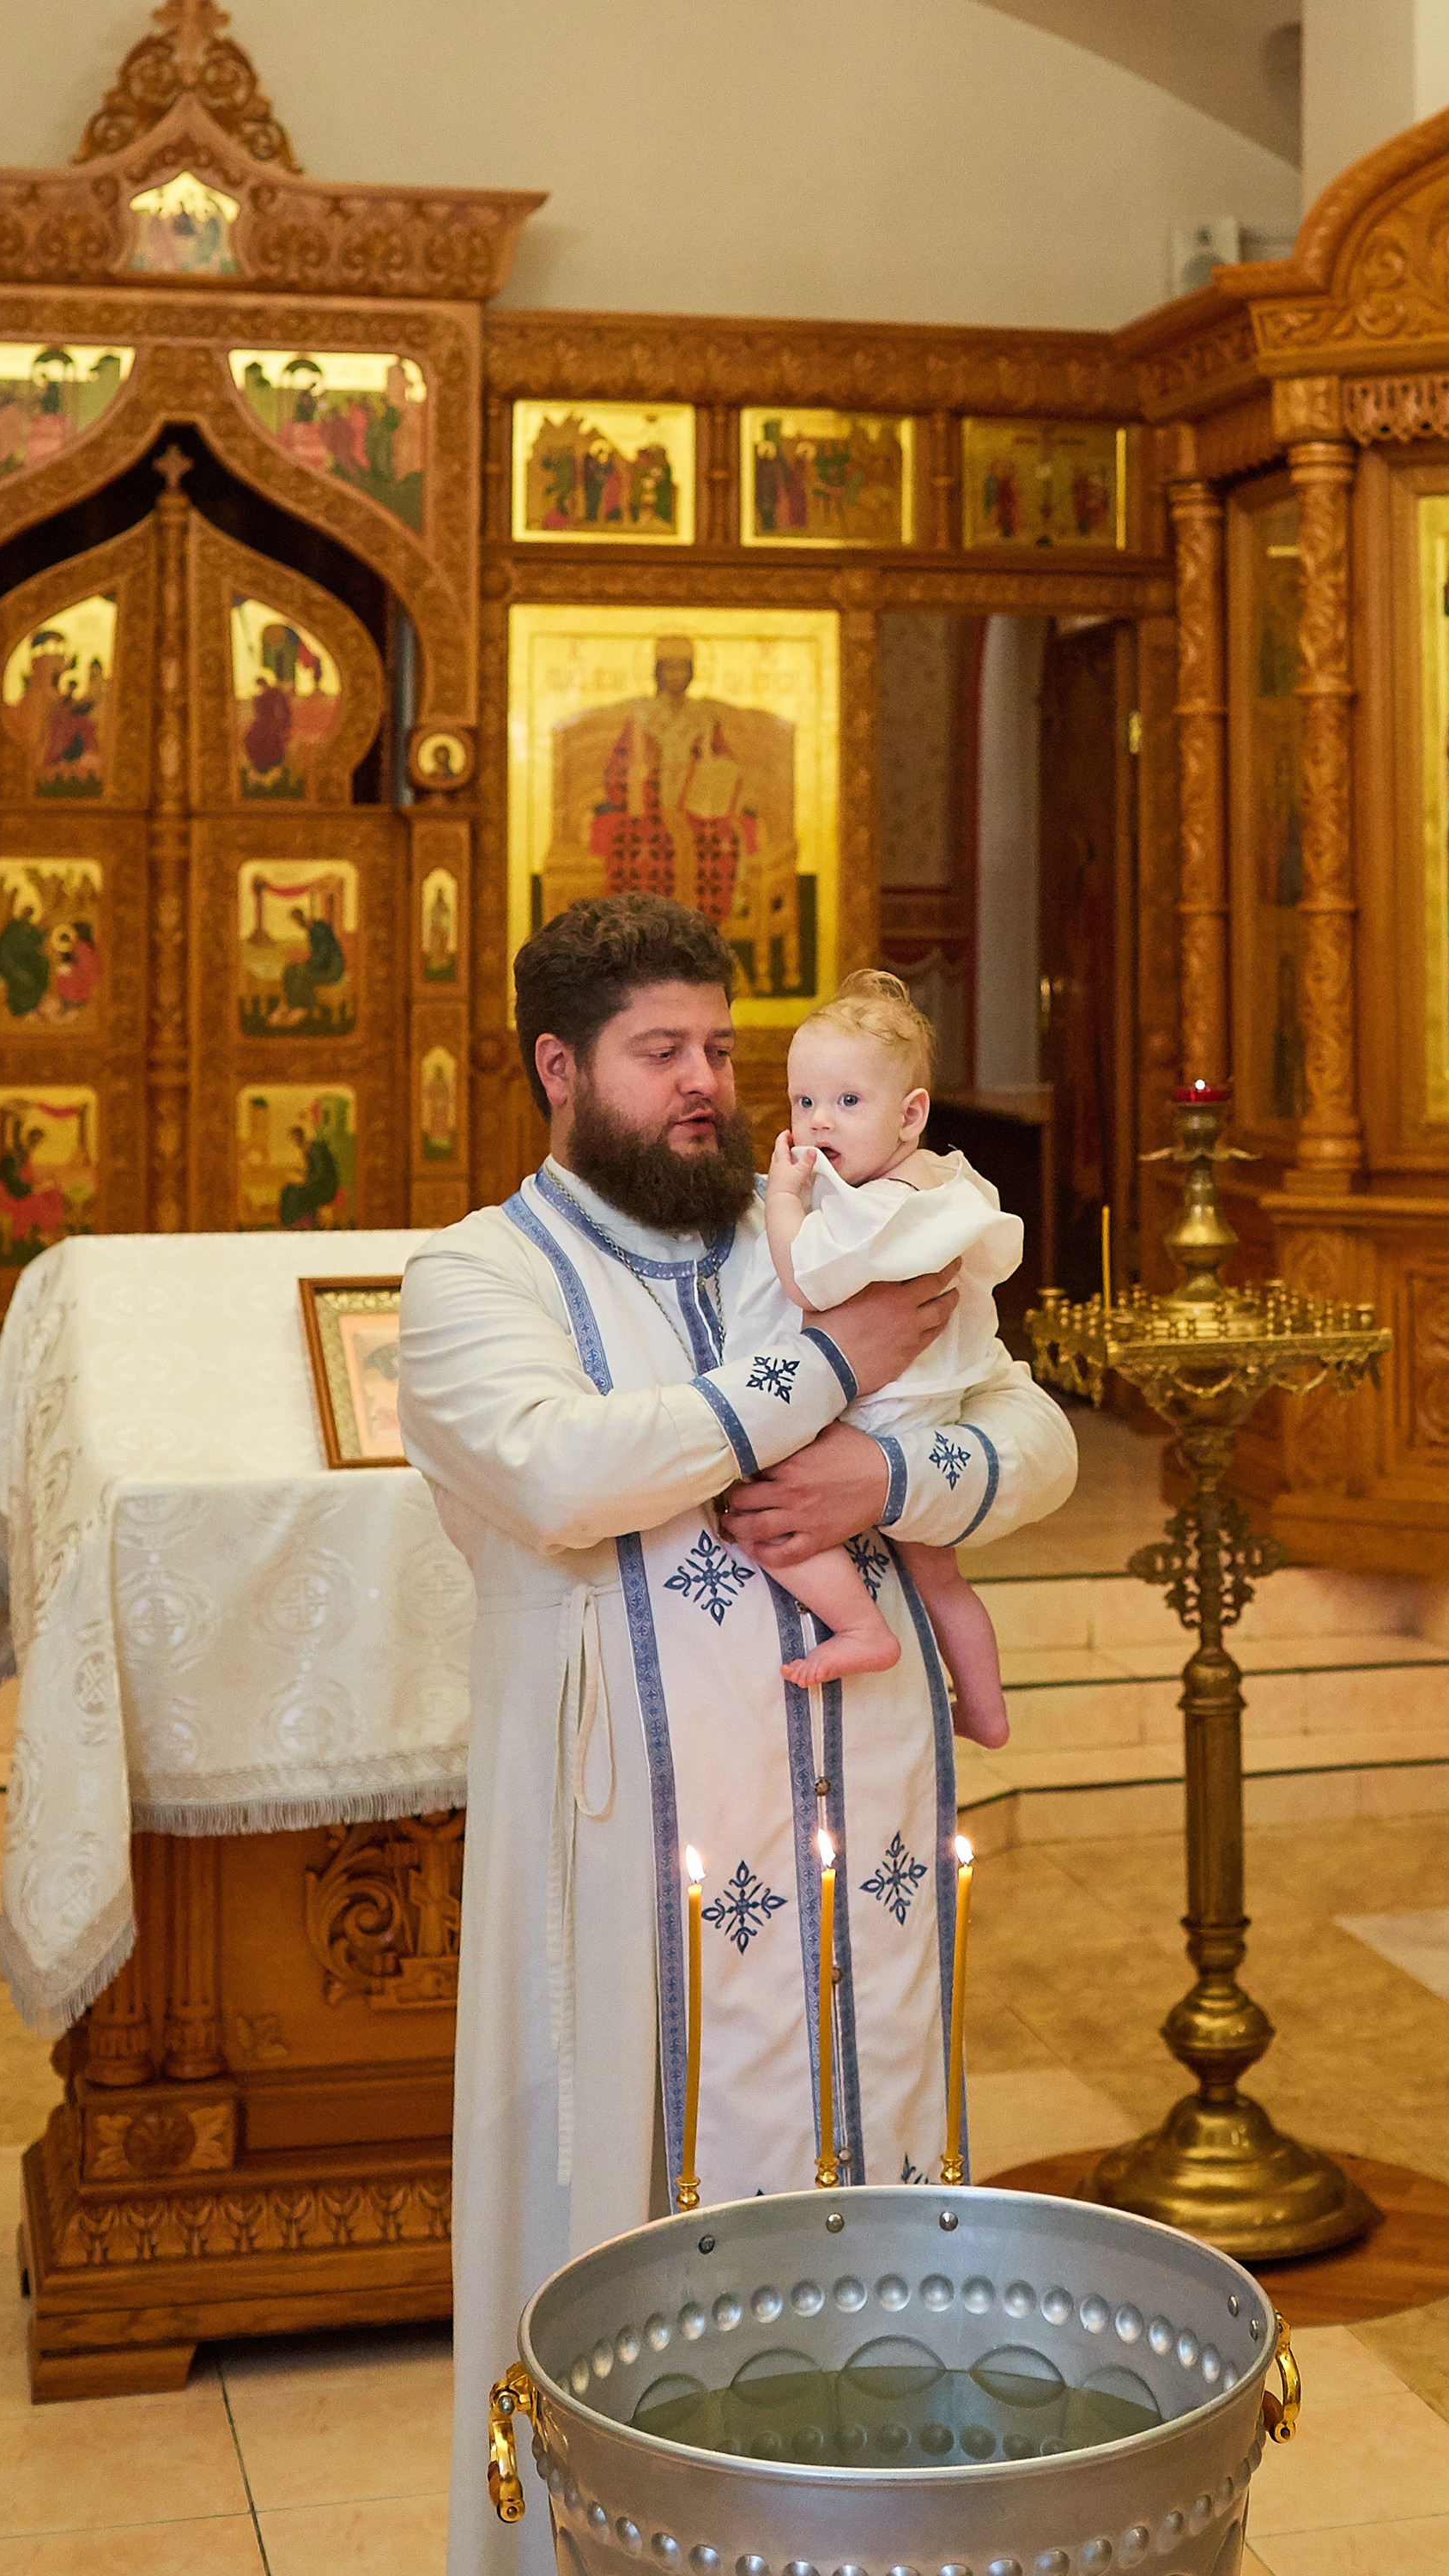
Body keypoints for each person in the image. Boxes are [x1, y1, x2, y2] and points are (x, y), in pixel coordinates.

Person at [395, 895, 1076, 2576]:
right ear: (559, 1067)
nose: (706, 1082)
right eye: (659, 1053)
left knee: (885, 2164)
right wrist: (821, 1375)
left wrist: (892, 1475)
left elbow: (1037, 1432)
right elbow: (568, 1469)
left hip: (875, 1840)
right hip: (642, 1875)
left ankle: (895, 2531)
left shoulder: (815, 1224)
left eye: (719, 1046)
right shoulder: (477, 1275)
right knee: (643, 2230)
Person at [730, 971, 1019, 1748]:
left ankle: (861, 1628)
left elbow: (808, 1279)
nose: (820, 1123)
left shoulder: (873, 1207)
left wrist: (786, 1202)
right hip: (930, 1408)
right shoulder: (943, 1185)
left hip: (880, 1411)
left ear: (910, 1114)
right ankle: (987, 1710)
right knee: (941, 1577)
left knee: (762, 1509)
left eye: (847, 1103)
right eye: (804, 1103)